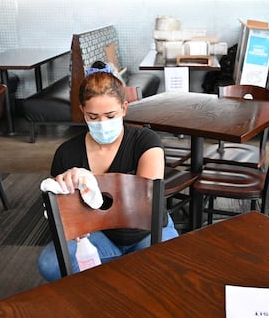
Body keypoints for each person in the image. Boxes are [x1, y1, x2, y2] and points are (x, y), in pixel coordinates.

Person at [37, 68, 178, 281]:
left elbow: (143, 203)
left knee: (171, 265)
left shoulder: (146, 142)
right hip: (99, 236)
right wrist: (63, 199)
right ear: (82, 111)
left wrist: (86, 188)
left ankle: (119, 273)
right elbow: (62, 217)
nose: (102, 124)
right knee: (50, 264)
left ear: (124, 108)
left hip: (146, 231)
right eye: (93, 117)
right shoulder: (66, 153)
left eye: (110, 116)